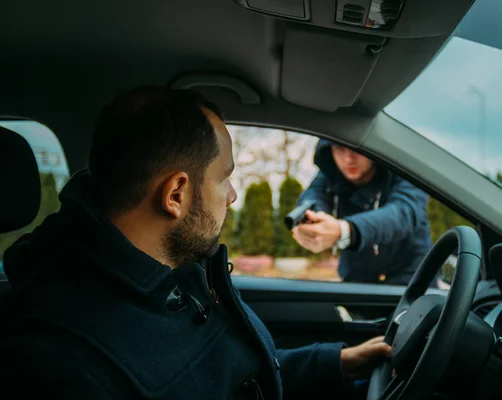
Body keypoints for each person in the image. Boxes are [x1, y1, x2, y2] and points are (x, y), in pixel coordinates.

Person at [0, 87, 391, 399]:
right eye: (224, 178)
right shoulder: (58, 363)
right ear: (175, 195)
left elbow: (232, 374)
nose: (233, 195)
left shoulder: (174, 276)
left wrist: (335, 364)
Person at [293, 140, 433, 286]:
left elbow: (404, 212)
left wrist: (344, 231)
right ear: (330, 150)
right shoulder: (330, 174)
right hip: (357, 283)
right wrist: (315, 221)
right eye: (340, 148)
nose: (348, 159)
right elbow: (312, 197)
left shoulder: (405, 169)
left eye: (356, 148)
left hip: (412, 283)